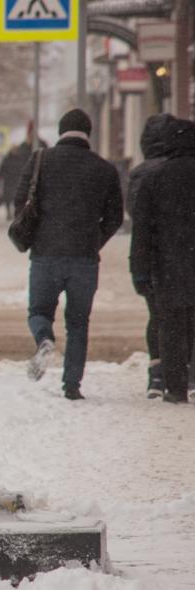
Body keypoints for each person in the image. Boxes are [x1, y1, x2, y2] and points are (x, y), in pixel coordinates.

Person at [16, 108, 123, 400]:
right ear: (88, 132)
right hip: (85, 259)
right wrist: (93, 240)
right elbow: (115, 217)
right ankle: (72, 385)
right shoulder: (104, 168)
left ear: (61, 131)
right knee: (78, 322)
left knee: (39, 311)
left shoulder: (40, 160)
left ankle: (44, 338)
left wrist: (39, 234)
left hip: (46, 254)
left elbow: (21, 200)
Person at [129, 116, 195, 404]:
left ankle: (174, 385)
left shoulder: (154, 178)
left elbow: (141, 229)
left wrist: (139, 270)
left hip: (166, 266)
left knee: (169, 324)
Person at [126, 113, 175, 398]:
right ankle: (182, 371)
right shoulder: (182, 169)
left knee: (157, 315)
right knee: (182, 316)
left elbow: (136, 217)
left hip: (153, 257)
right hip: (181, 254)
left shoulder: (141, 173)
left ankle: (157, 372)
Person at [0, 121, 45, 219]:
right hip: (18, 179)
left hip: (33, 178)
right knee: (14, 197)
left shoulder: (41, 144)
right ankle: (14, 212)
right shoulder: (23, 147)